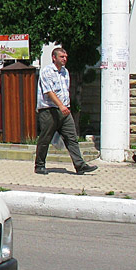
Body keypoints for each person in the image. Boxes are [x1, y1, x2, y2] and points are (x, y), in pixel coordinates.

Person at [34, 47, 96, 175]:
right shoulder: (47, 71)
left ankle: (80, 165)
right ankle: (39, 165)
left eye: (66, 57)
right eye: (62, 57)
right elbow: (49, 91)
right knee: (45, 138)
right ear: (54, 57)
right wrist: (61, 106)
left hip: (64, 110)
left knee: (71, 138)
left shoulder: (65, 72)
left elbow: (65, 90)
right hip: (49, 110)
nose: (65, 59)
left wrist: (66, 106)